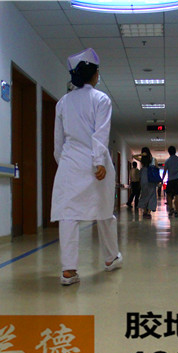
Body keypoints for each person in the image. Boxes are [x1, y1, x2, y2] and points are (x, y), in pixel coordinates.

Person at [51, 48, 122, 286]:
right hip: (94, 165)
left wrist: (64, 164)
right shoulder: (101, 99)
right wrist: (99, 162)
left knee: (68, 215)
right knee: (104, 212)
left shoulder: (62, 103)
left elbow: (58, 141)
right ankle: (111, 258)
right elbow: (100, 134)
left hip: (70, 163)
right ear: (94, 74)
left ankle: (68, 270)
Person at [162, 146, 178, 218]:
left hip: (170, 180)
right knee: (177, 195)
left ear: (169, 152)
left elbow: (165, 171)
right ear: (175, 151)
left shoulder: (167, 161)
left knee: (169, 195)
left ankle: (171, 209)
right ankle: (176, 211)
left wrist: (162, 179)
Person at [136, 147, 158, 219]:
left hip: (144, 177)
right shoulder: (154, 160)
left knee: (144, 195)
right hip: (151, 178)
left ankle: (145, 212)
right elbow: (157, 168)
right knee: (152, 195)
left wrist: (141, 155)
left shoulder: (142, 161)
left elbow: (134, 156)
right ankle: (148, 212)